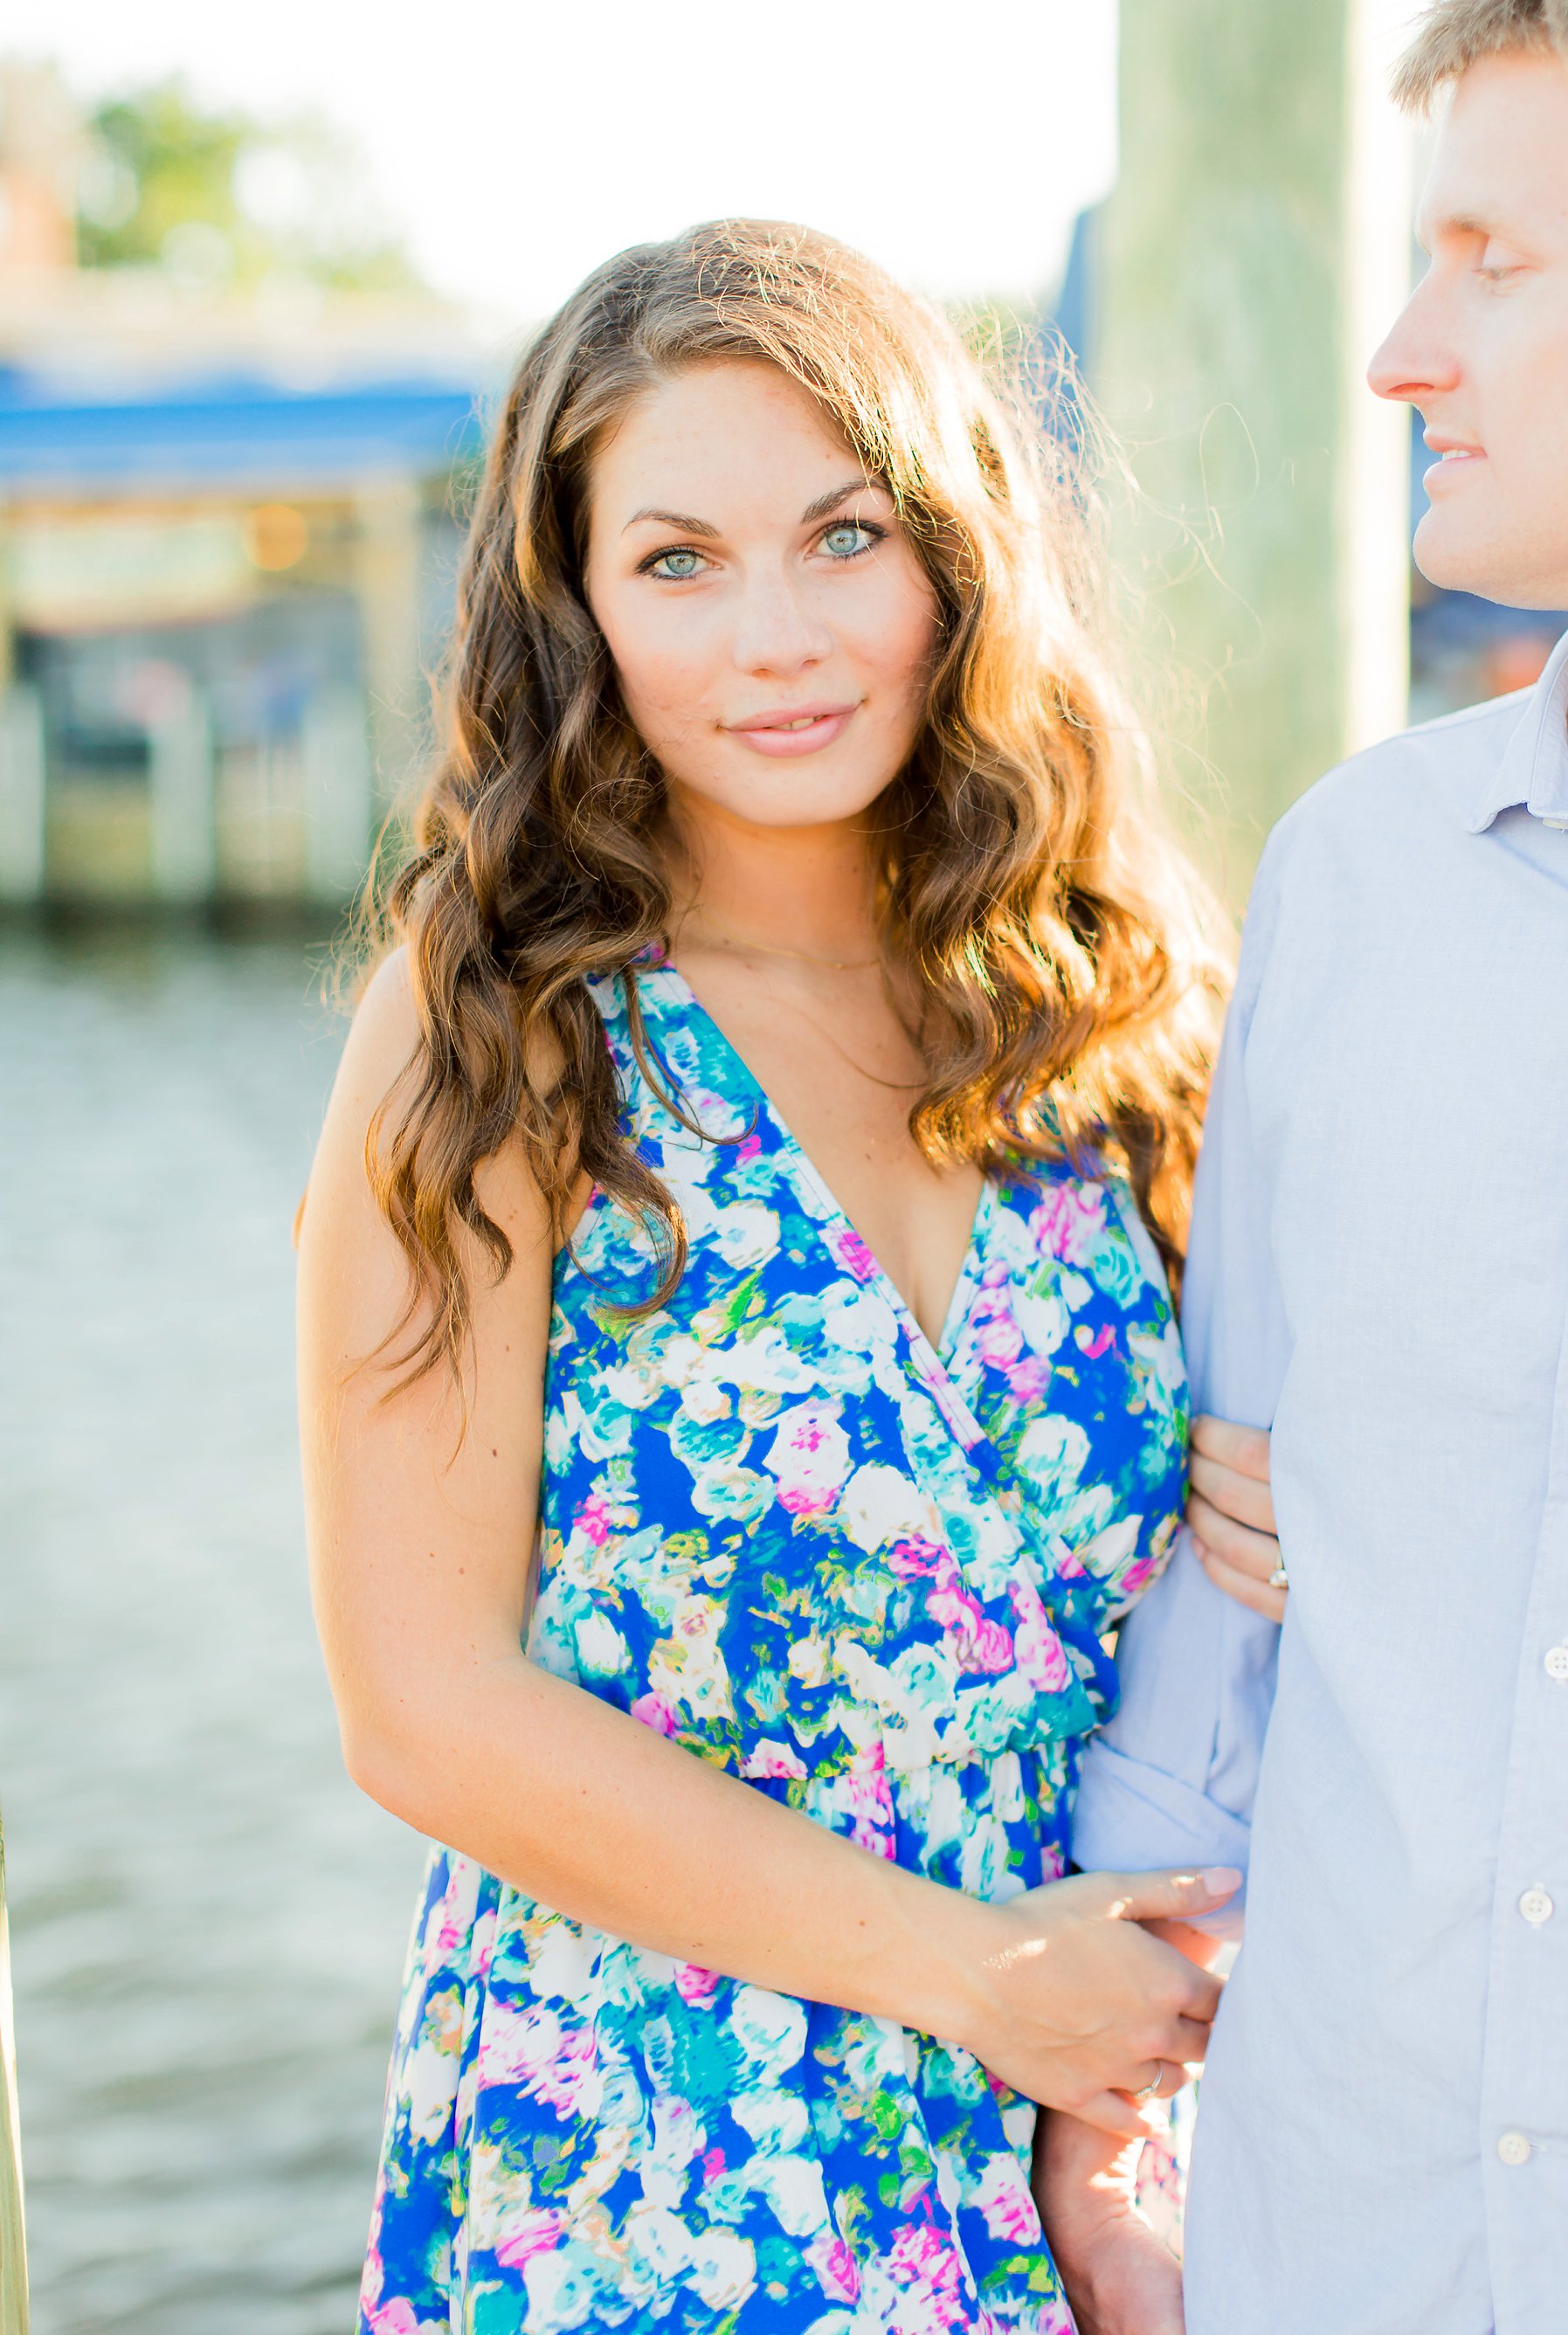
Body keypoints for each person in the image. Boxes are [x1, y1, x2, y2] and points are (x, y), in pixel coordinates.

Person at [296, 221, 1247, 2334]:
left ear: (954, 559)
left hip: (1097, 2144)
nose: (780, 636)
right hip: (639, 2163)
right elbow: (422, 1707)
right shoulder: (497, 1034)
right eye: (678, 562)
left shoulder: (1121, 1010)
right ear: (576, 610)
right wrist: (971, 1978)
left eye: (842, 535)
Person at [1036, 0, 1568, 2335]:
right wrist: (1107, 2140)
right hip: (1331, 2254)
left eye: (1494, 257)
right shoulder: (1355, 879)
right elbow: (1228, 1586)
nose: (1397, 351)